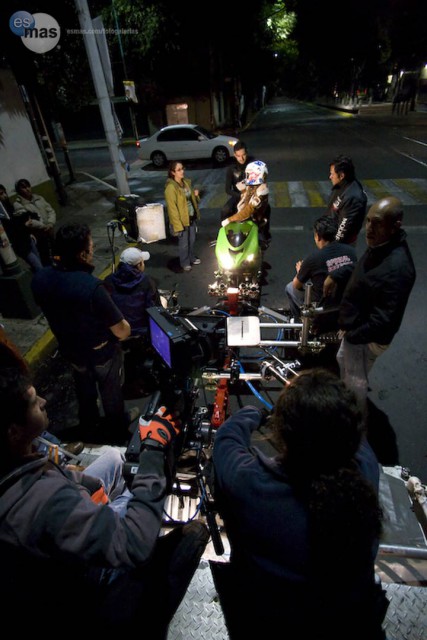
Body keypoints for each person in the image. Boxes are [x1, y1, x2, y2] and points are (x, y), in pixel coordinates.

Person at [0, 366, 209, 635]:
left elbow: (57, 482)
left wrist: (79, 485)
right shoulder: (43, 501)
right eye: (33, 402)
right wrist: (154, 451)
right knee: (191, 533)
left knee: (112, 457)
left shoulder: (15, 462)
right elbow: (133, 544)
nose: (43, 401)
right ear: (13, 431)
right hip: (84, 584)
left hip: (52, 535)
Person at [212, 368, 388, 640]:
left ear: (282, 432)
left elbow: (226, 438)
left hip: (266, 623)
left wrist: (253, 413)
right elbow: (354, 436)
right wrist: (323, 405)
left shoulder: (249, 484)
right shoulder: (365, 473)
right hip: (346, 626)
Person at [31, 223, 135, 443]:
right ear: (81, 254)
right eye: (90, 246)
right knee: (111, 393)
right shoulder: (92, 288)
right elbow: (122, 330)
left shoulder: (40, 279)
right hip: (101, 354)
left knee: (84, 392)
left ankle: (90, 428)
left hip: (71, 352)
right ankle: (117, 430)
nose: (93, 249)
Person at [325, 196, 416, 408]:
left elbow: (384, 321)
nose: (369, 228)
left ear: (395, 226)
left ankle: (353, 428)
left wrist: (353, 336)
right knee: (343, 363)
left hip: (364, 340)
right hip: (355, 332)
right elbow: (362, 271)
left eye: (377, 223)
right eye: (368, 221)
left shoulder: (398, 268)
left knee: (355, 383)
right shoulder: (381, 245)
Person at [285, 215, 357, 322]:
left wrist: (301, 271)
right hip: (346, 303)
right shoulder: (351, 251)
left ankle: (298, 322)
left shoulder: (313, 259)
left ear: (318, 237)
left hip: (322, 309)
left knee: (290, 287)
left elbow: (297, 284)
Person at [104, 247, 161, 337]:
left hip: (119, 330)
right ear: (139, 265)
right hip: (141, 330)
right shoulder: (146, 281)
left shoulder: (109, 280)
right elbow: (154, 310)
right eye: (142, 262)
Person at [221, 160, 271, 246]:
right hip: (245, 217)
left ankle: (263, 241)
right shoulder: (253, 185)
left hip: (254, 220)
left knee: (258, 244)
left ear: (257, 175)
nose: (247, 176)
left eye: (250, 174)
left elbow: (247, 211)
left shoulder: (261, 192)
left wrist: (230, 219)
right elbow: (240, 187)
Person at [165, 161, 201, 272]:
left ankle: (191, 257)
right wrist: (177, 226)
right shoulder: (171, 188)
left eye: (182, 168)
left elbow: (192, 201)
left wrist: (196, 196)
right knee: (184, 244)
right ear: (173, 172)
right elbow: (172, 210)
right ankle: (184, 262)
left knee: (192, 240)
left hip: (191, 217)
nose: (182, 171)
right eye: (179, 170)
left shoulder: (186, 183)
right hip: (181, 220)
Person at [13, 178, 57, 266]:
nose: (27, 189)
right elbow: (29, 221)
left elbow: (50, 211)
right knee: (44, 254)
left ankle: (58, 264)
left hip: (50, 230)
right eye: (23, 187)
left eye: (28, 186)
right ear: (18, 190)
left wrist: (50, 223)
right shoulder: (18, 205)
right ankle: (49, 269)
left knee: (56, 250)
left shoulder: (39, 198)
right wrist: (44, 227)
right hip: (38, 234)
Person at [0, 183, 43, 272]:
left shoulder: (9, 207)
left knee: (38, 263)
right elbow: (11, 231)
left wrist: (28, 231)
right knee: (38, 266)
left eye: (4, 193)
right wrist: (25, 226)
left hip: (26, 238)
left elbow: (18, 221)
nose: (4, 196)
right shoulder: (2, 215)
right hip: (20, 245)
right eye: (1, 194)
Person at [327, 155, 367, 246]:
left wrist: (332, 247)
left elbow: (343, 230)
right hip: (332, 239)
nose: (330, 177)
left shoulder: (353, 198)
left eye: (332, 174)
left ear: (341, 176)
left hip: (340, 246)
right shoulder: (342, 186)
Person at [220, 140, 253, 222]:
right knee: (225, 210)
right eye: (238, 156)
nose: (241, 158)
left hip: (252, 196)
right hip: (238, 196)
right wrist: (240, 196)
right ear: (235, 155)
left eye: (243, 155)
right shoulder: (231, 169)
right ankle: (225, 232)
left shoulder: (253, 165)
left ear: (247, 153)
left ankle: (265, 233)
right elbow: (227, 189)